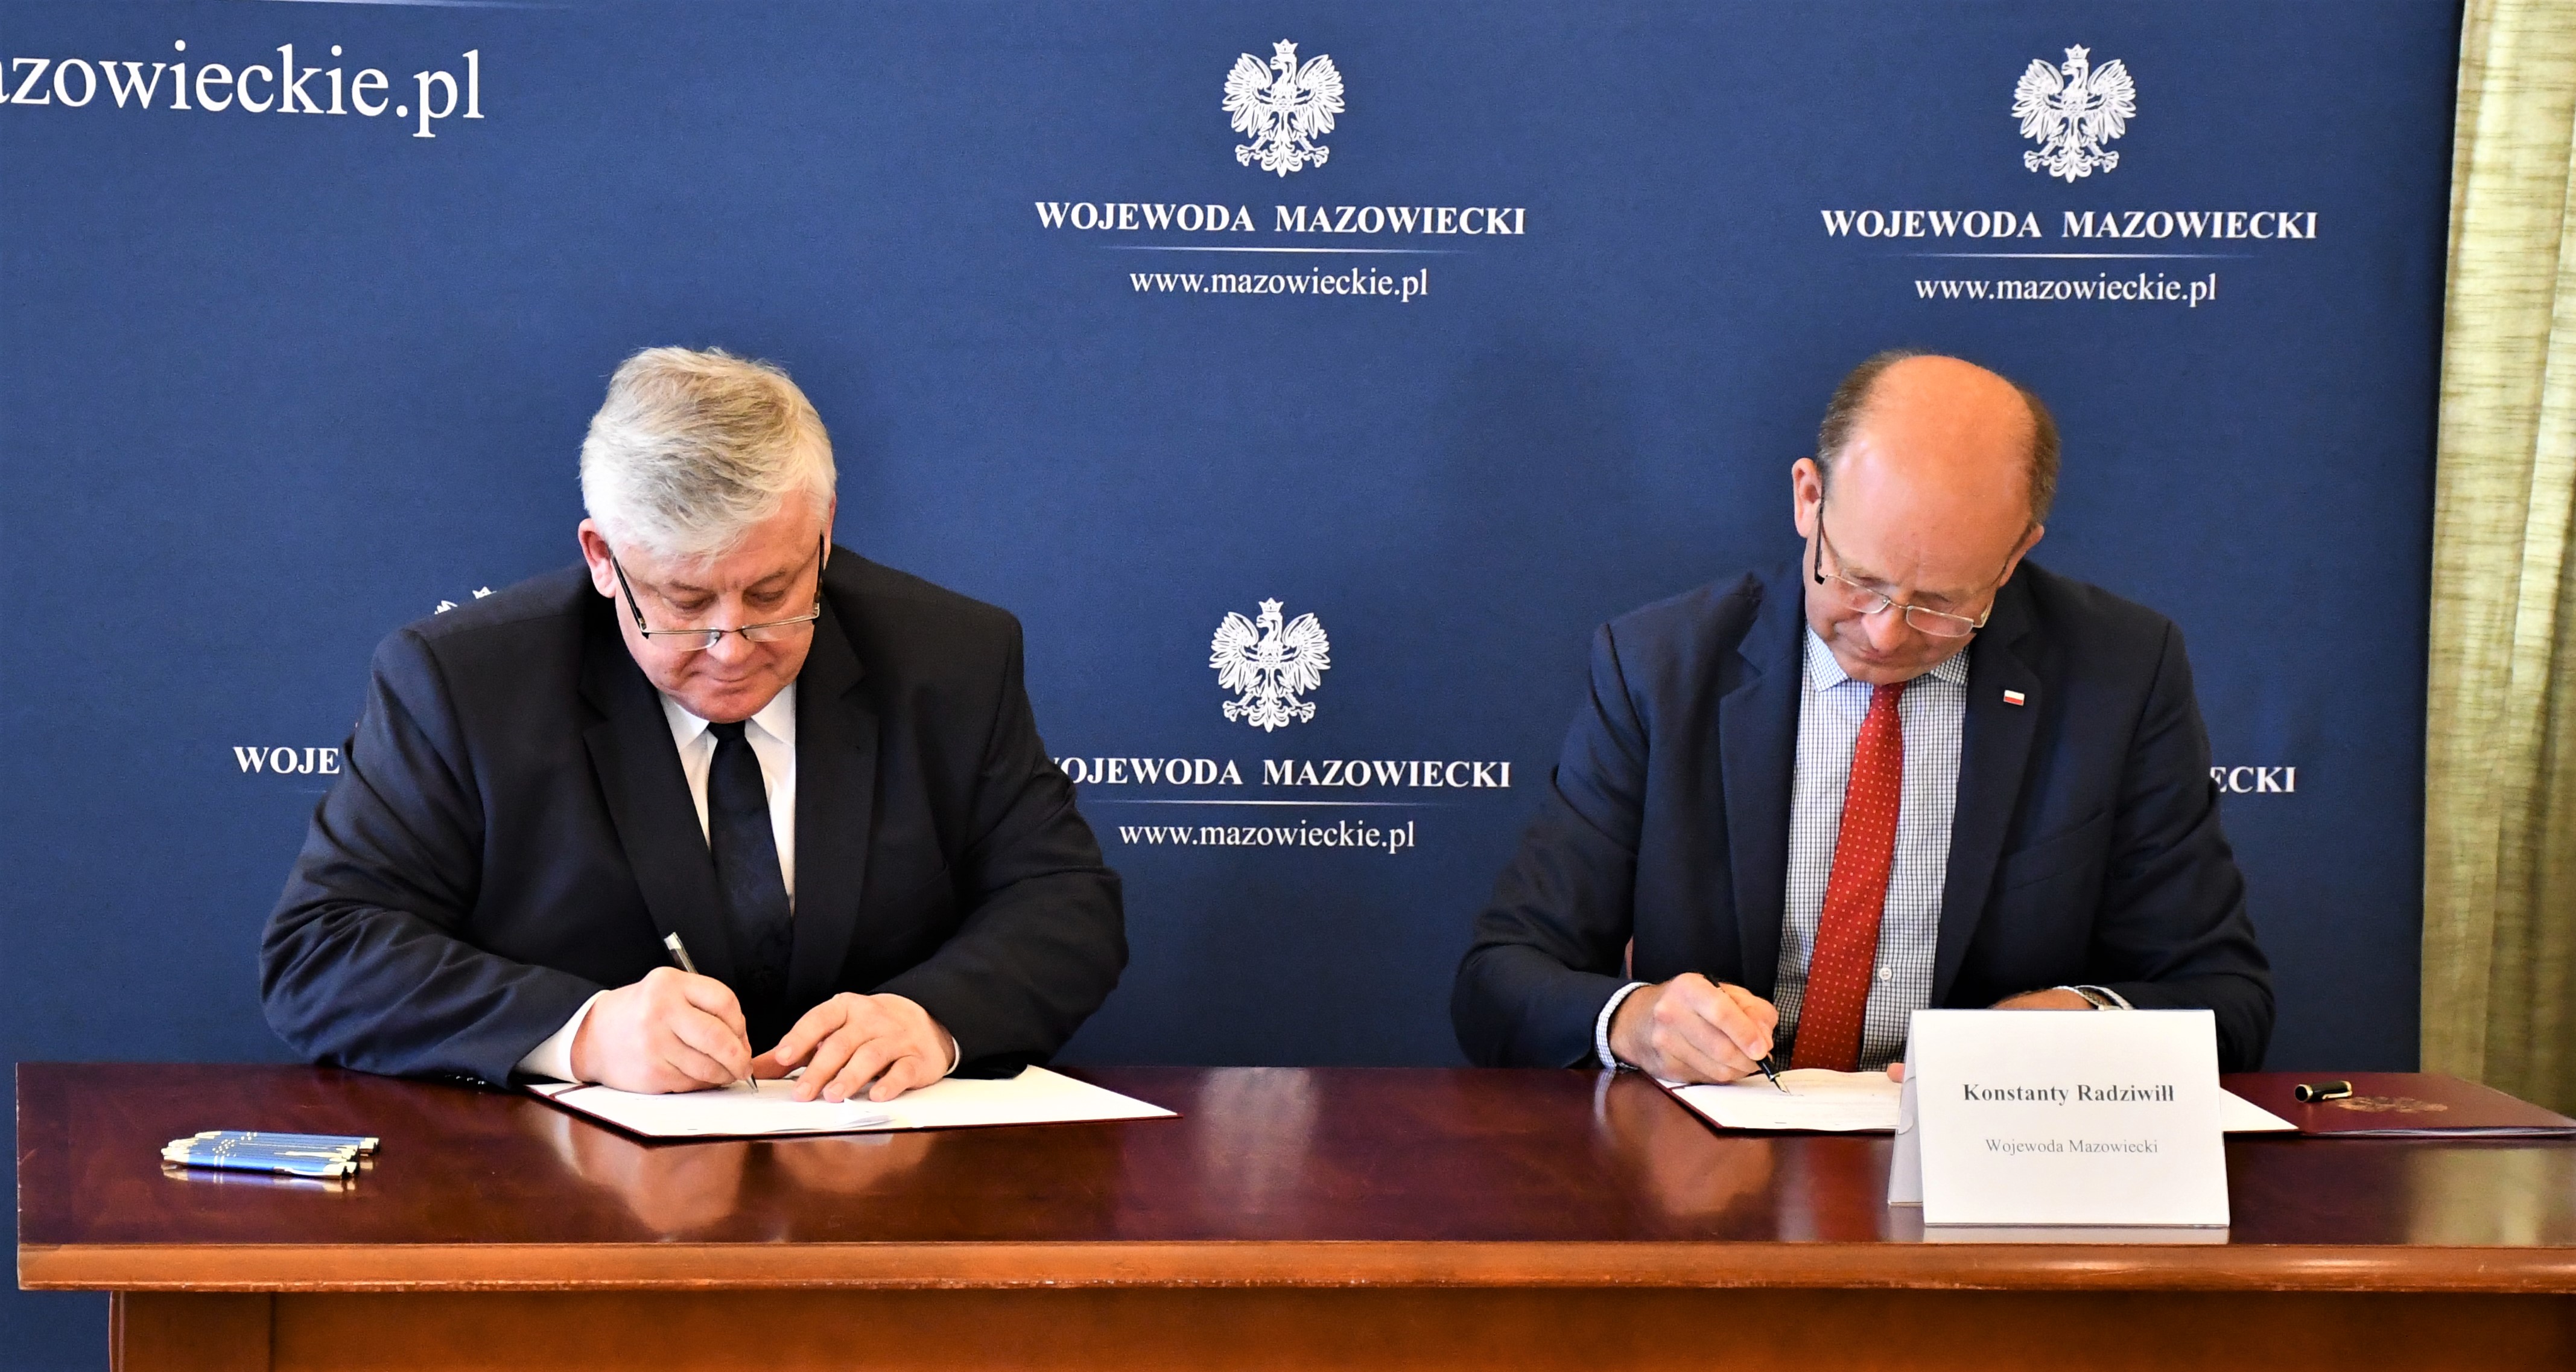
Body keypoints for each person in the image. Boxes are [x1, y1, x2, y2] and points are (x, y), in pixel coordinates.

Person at [262, 346, 1125, 1103]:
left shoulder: (953, 658)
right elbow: (324, 951)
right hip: (565, 1196)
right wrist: (585, 1033)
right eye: (683, 602)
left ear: (824, 533)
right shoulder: (462, 684)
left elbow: (1065, 905)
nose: (731, 646)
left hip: (879, 1177)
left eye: (772, 592)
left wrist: (930, 1017)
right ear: (603, 559)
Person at [1450, 351, 2272, 1080]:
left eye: (1941, 603)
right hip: (1712, 1154)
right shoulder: (1662, 668)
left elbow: (2226, 998)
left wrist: (2082, 1020)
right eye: (1857, 580)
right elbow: (1501, 978)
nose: (1884, 632)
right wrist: (1636, 1022)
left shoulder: (2117, 674)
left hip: (1981, 1161)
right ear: (1808, 499)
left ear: (2015, 554)